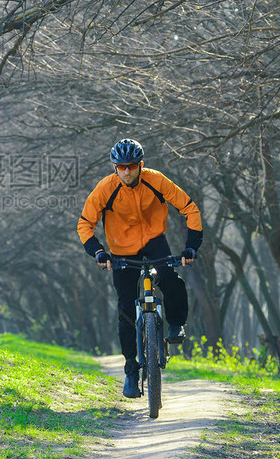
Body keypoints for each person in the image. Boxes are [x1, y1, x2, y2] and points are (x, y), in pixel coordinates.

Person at [77, 138, 203, 398]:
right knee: (125, 308)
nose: (126, 171)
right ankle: (131, 369)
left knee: (170, 277)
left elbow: (190, 208)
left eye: (131, 166)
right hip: (121, 249)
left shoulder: (155, 180)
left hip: (155, 242)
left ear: (140, 165)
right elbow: (85, 223)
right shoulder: (106, 188)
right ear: (114, 167)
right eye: (120, 167)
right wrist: (98, 252)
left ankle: (176, 324)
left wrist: (191, 246)